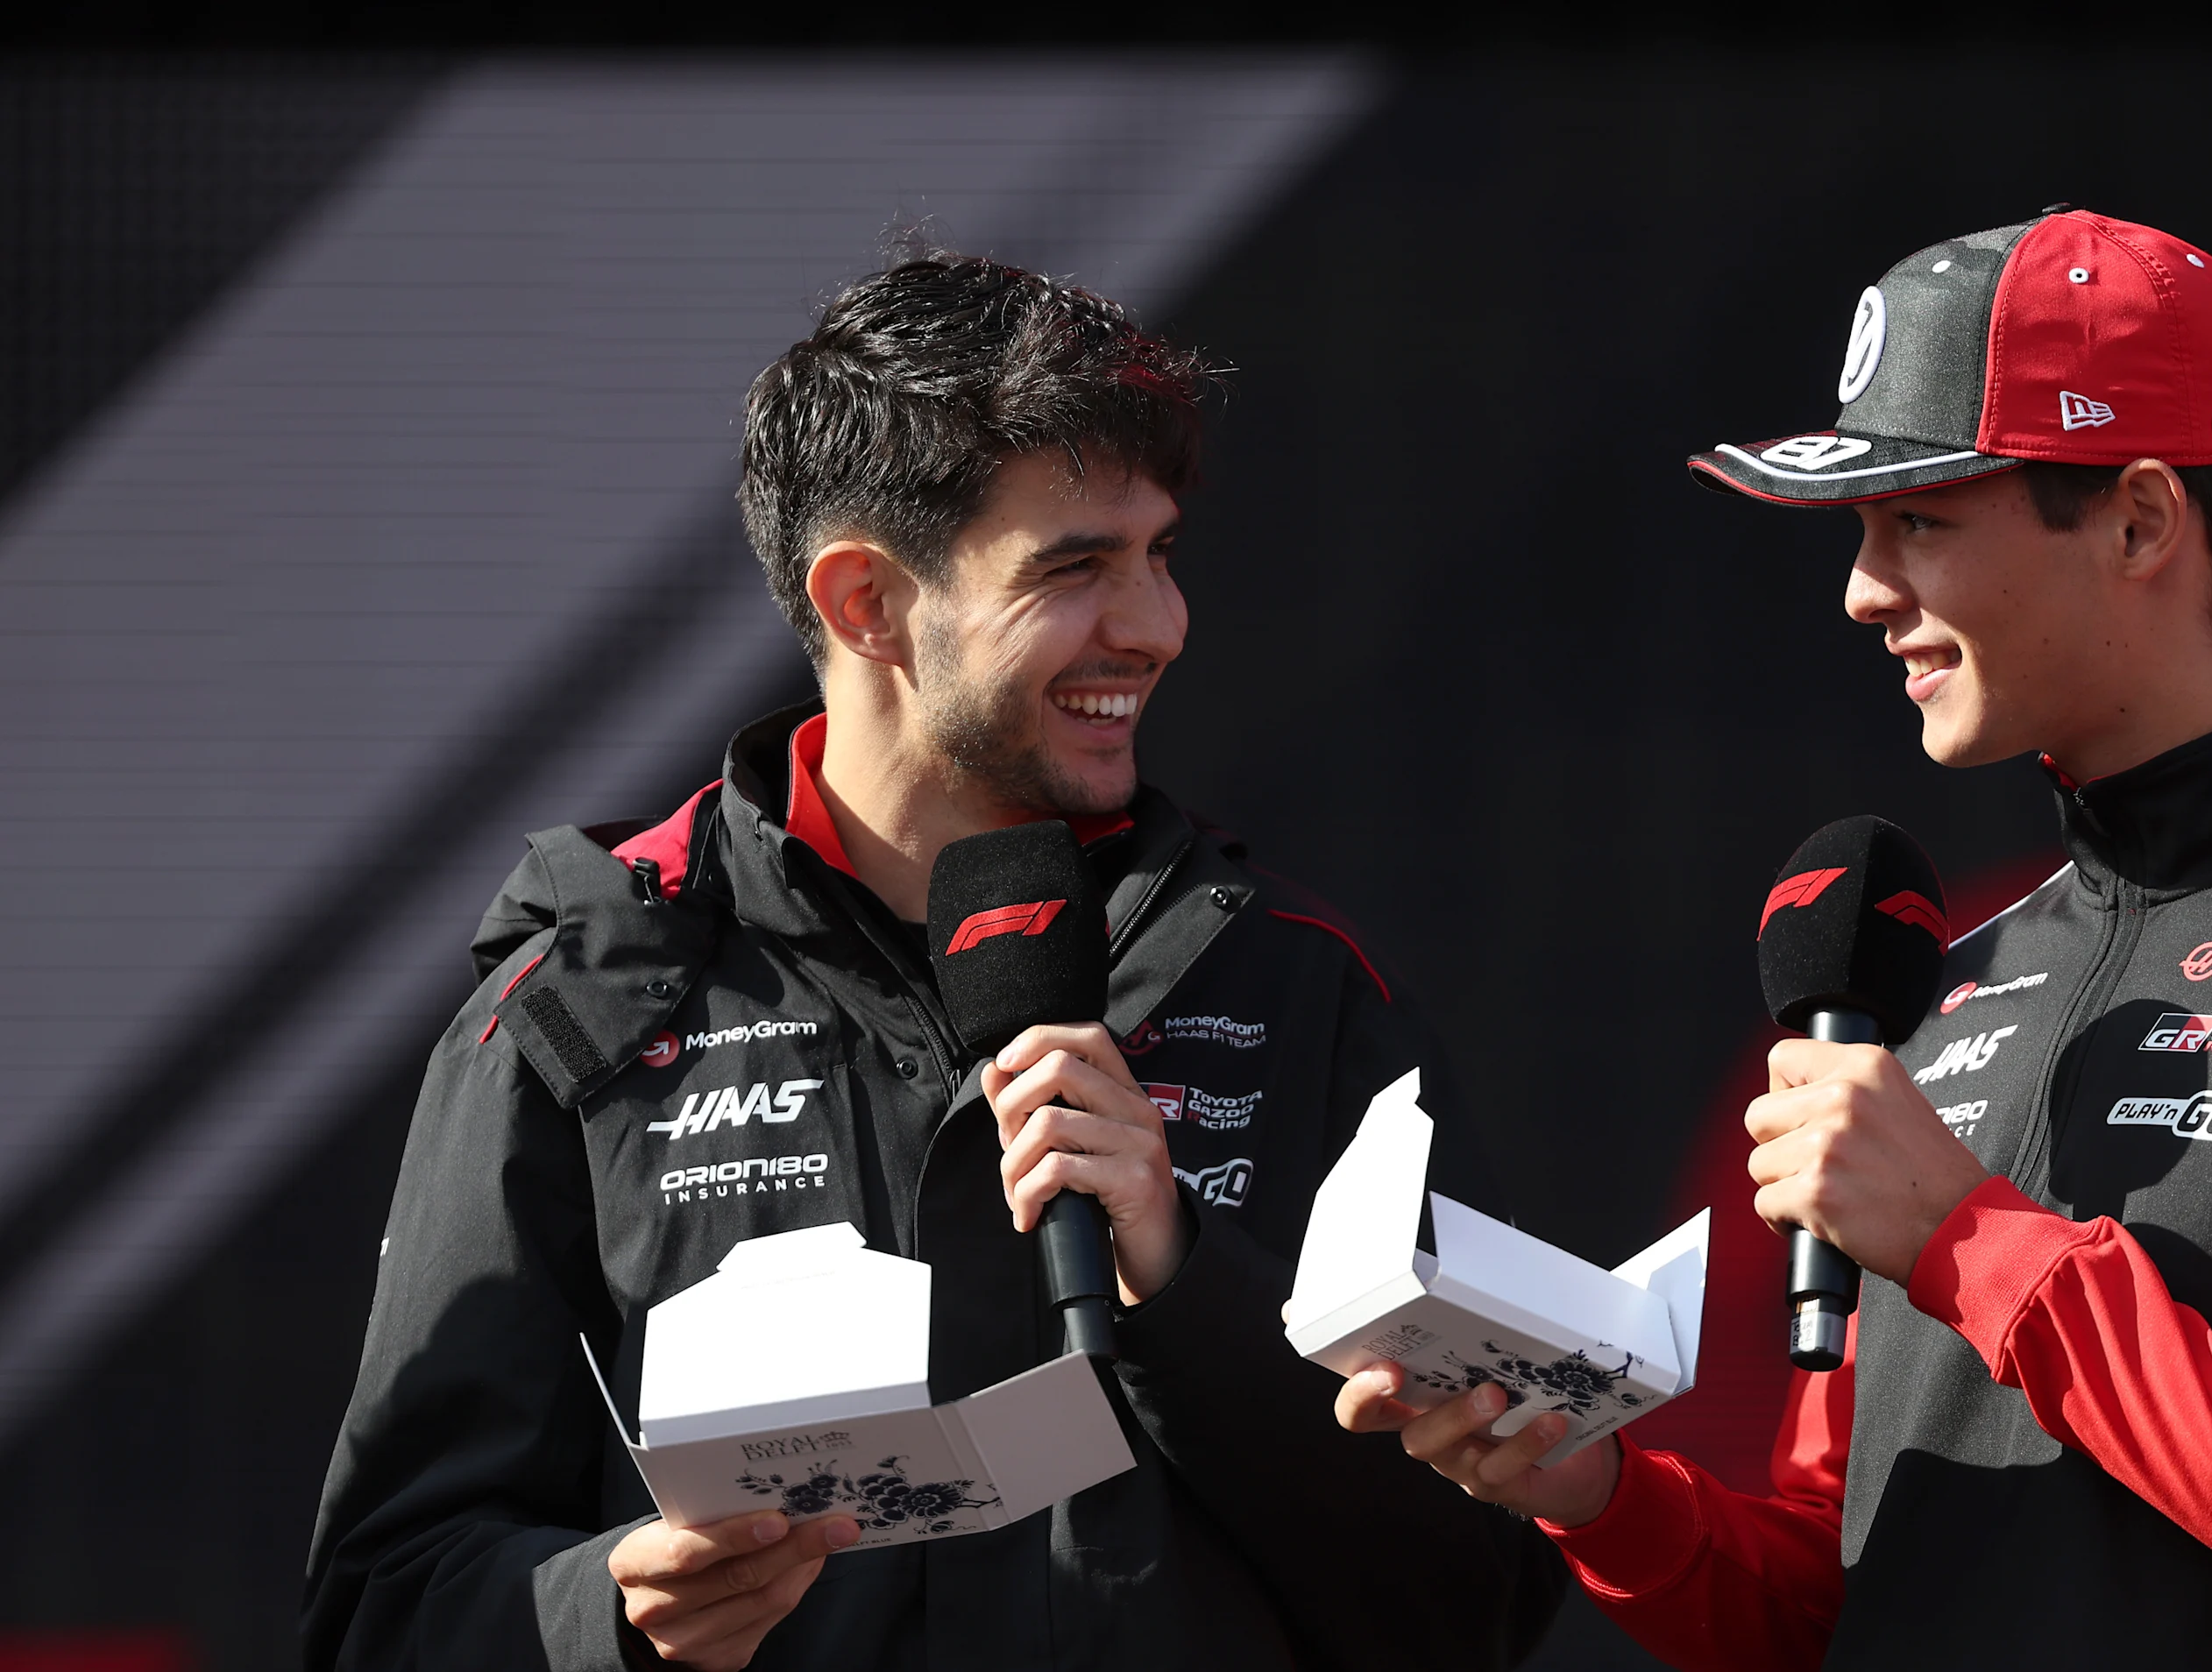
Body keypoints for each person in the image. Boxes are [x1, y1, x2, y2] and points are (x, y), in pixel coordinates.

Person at [1336, 208, 2212, 1669]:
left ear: (2144, 521)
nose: (1862, 589)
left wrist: (1971, 1241)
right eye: (1860, 530)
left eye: (1923, 522)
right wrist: (1593, 1490)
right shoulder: (1938, 987)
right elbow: (1826, 1607)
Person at [305, 252, 1563, 1671]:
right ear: (867, 605)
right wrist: (612, 1610)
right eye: (1078, 567)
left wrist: (1184, 1289)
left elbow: (1489, 1599)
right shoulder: (583, 1010)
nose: (1155, 625)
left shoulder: (1298, 987)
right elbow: (382, 1611)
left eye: (1160, 554)